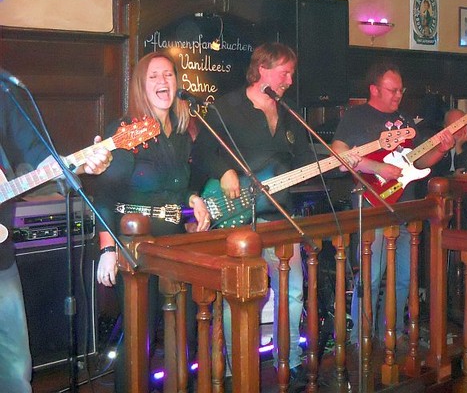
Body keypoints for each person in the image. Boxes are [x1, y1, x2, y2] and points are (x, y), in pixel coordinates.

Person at [190, 42, 343, 390]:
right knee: (239, 297)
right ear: (262, 69)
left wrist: (337, 160)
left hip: (280, 216)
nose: (289, 80)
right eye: (284, 72)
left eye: (291, 73)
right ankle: (237, 369)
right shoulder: (227, 107)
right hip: (237, 217)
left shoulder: (288, 112)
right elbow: (201, 154)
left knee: (293, 292)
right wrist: (224, 170)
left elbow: (302, 162)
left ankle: (289, 361)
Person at [94, 51, 211, 392]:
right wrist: (107, 249)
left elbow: (176, 185)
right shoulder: (126, 130)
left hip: (173, 242)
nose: (163, 81)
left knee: (185, 330)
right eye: (154, 76)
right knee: (139, 337)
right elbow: (104, 193)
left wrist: (193, 198)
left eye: (169, 75)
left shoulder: (181, 133)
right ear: (141, 87)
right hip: (135, 245)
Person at [330, 60, 454, 343]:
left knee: (404, 278)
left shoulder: (405, 121)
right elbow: (338, 155)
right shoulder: (355, 117)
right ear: (374, 89)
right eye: (392, 90)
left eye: (401, 90)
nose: (399, 95)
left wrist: (440, 150)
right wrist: (377, 168)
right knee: (371, 277)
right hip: (371, 205)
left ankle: (393, 334)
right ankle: (360, 339)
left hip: (405, 207)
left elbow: (418, 161)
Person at [0, 87, 112, 393]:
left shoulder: (3, 92)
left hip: (1, 260)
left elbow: (37, 152)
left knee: (14, 367)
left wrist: (77, 165)